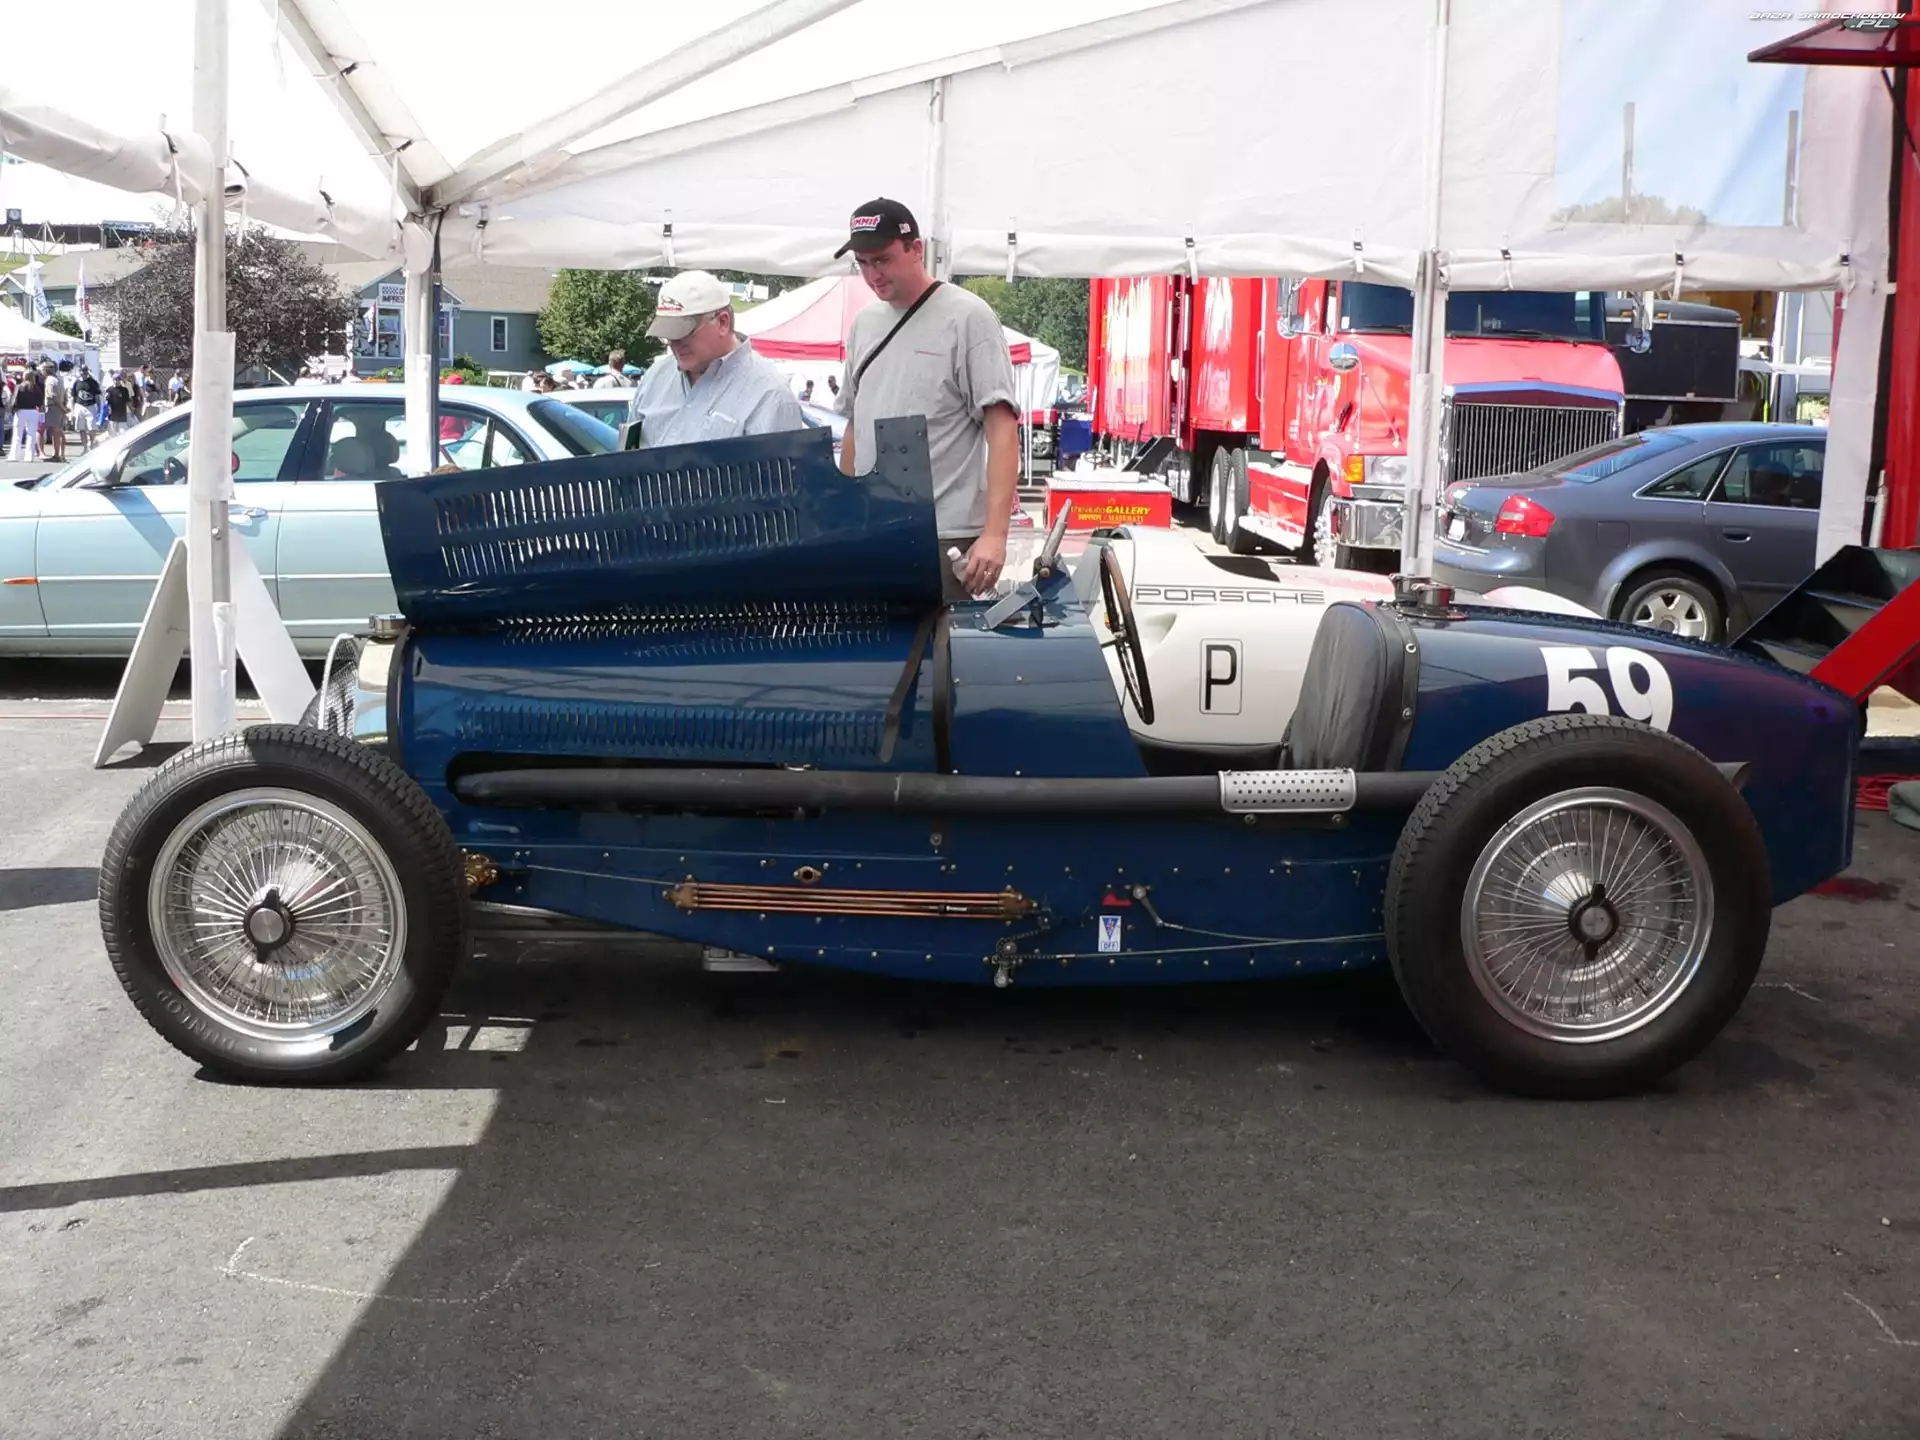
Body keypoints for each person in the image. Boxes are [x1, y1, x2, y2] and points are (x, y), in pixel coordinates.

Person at [834, 197, 1019, 601]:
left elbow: (1002, 428)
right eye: (863, 263)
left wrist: (995, 534)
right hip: (873, 529)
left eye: (882, 260)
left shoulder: (968, 317)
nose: (873, 274)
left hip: (943, 536)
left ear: (916, 249)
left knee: (939, 642)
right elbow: (854, 424)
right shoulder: (864, 324)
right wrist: (844, 516)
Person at [626, 270, 808, 446]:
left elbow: (778, 468)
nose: (674, 343)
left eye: (683, 333)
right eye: (667, 334)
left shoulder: (771, 396)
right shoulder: (654, 377)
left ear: (722, 322)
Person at [9, 364, 44, 462]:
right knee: (31, 434)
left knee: (17, 434)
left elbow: (14, 400)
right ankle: (29, 456)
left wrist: (13, 409)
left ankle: (14, 456)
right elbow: (40, 402)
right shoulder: (36, 388)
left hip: (21, 411)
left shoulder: (19, 387)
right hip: (33, 411)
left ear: (24, 376)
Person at [69, 365, 100, 452]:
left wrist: (99, 408)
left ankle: (92, 444)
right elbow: (73, 397)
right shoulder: (76, 383)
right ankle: (85, 447)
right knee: (81, 428)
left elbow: (97, 396)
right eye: (82, 371)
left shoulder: (93, 382)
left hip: (90, 406)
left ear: (87, 371)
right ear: (79, 371)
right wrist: (72, 410)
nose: (83, 372)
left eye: (85, 370)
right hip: (79, 406)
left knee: (92, 428)